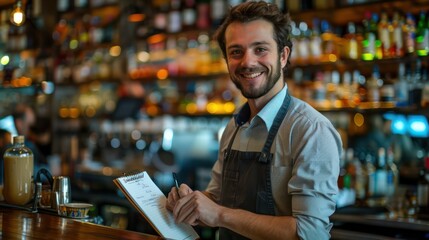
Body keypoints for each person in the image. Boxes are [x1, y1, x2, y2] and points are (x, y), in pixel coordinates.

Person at [165, 1, 342, 240]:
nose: (248, 62)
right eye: (236, 52)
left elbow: (309, 233)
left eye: (260, 49)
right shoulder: (234, 128)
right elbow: (217, 199)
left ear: (283, 55)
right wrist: (192, 201)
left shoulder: (310, 130)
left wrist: (219, 215)